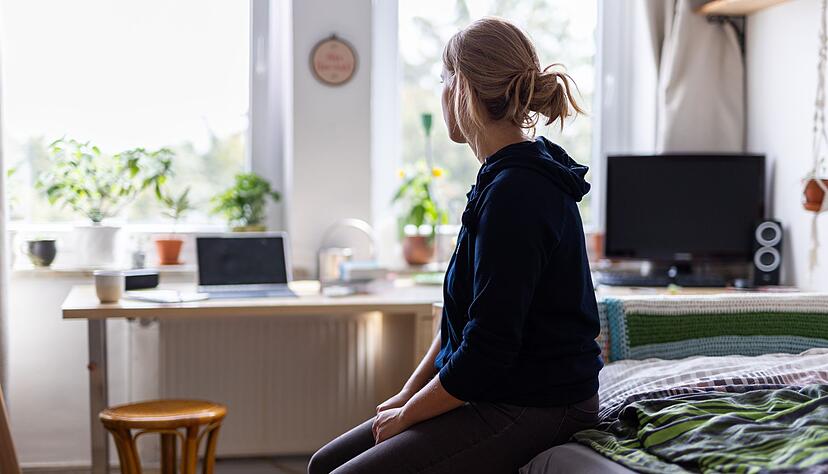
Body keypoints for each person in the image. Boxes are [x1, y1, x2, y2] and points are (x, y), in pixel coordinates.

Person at [309, 16, 603, 474]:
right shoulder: (500, 179)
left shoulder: (518, 194)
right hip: (501, 388)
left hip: (540, 402)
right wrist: (408, 395)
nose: (441, 90)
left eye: (444, 78)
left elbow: (486, 352)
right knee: (322, 464)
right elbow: (459, 325)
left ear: (462, 88)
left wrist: (407, 417)